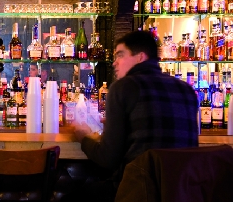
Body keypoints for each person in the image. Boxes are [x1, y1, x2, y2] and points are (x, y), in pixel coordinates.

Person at [70, 30, 199, 202]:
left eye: (120, 55)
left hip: (138, 191)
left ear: (140, 57)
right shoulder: (187, 90)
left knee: (72, 194)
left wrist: (83, 137)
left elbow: (108, 159)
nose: (114, 63)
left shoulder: (123, 87)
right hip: (183, 192)